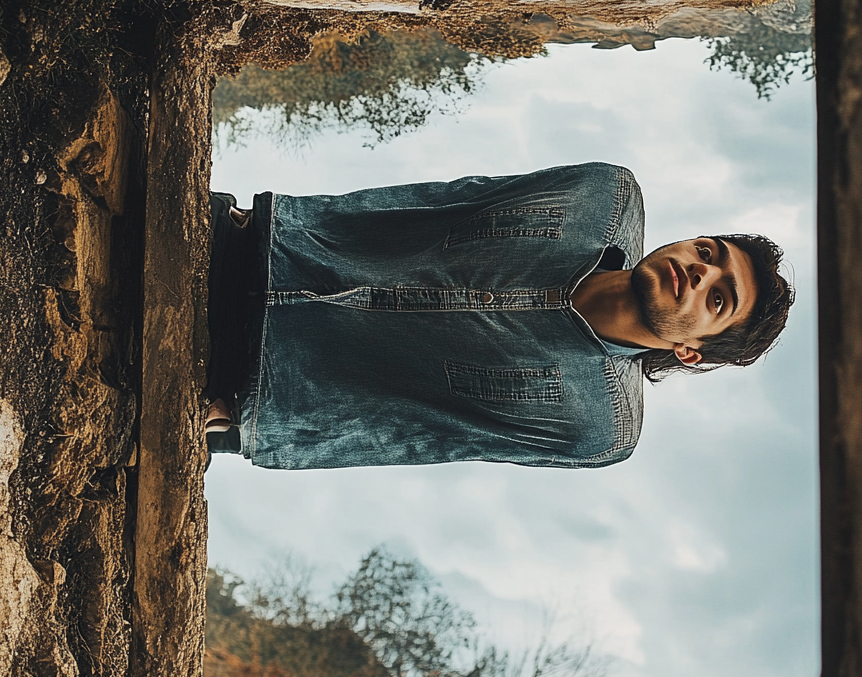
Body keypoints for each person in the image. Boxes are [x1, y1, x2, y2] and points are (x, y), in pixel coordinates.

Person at [205, 162, 793, 469]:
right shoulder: (603, 196)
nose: (699, 272)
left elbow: (431, 437)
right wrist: (276, 222)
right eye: (709, 254)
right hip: (252, 243)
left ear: (691, 352)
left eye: (718, 299)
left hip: (247, 382)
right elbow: (444, 197)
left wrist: (248, 425)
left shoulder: (599, 428)